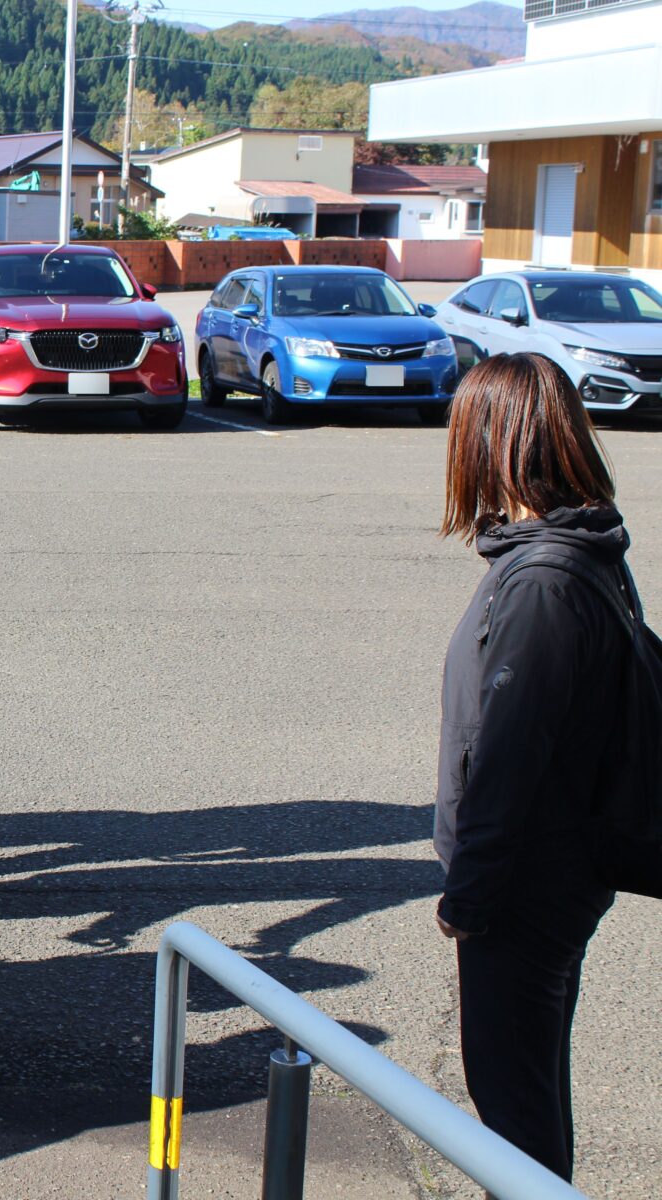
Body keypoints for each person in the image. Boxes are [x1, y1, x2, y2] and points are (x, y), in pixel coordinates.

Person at [435, 353, 627, 1184]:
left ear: (492, 444)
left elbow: (507, 755)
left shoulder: (544, 581)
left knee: (512, 1108)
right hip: (555, 874)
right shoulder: (579, 551)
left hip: (524, 889)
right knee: (530, 1090)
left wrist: (470, 896)